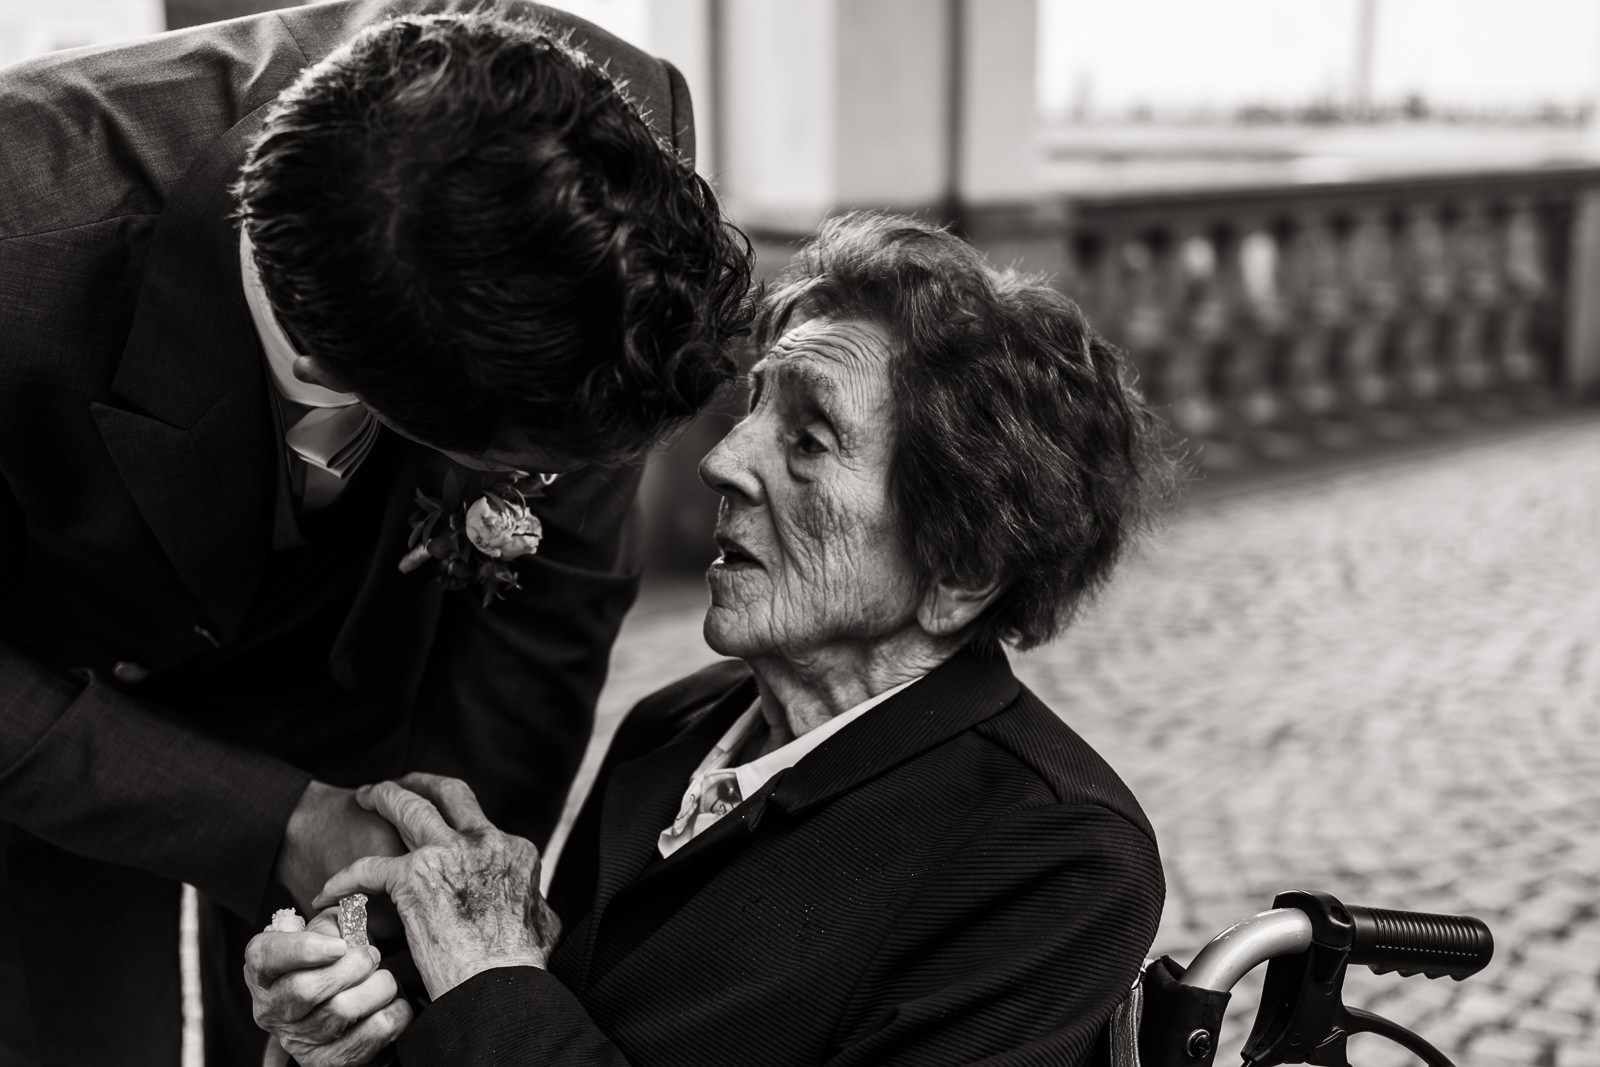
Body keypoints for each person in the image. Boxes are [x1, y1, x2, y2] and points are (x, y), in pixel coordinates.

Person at [0, 3, 752, 1063]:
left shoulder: (610, 142)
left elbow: (554, 589)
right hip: (45, 701)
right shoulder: (19, 237)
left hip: (361, 693)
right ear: (339, 374)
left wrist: (433, 881)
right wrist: (277, 821)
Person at [249, 212, 1180, 1066]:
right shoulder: (678, 725)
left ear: (963, 565)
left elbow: (515, 1010)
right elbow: (556, 1021)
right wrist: (364, 1026)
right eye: (754, 408)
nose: (722, 460)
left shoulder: (1051, 856)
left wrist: (489, 972)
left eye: (809, 440)